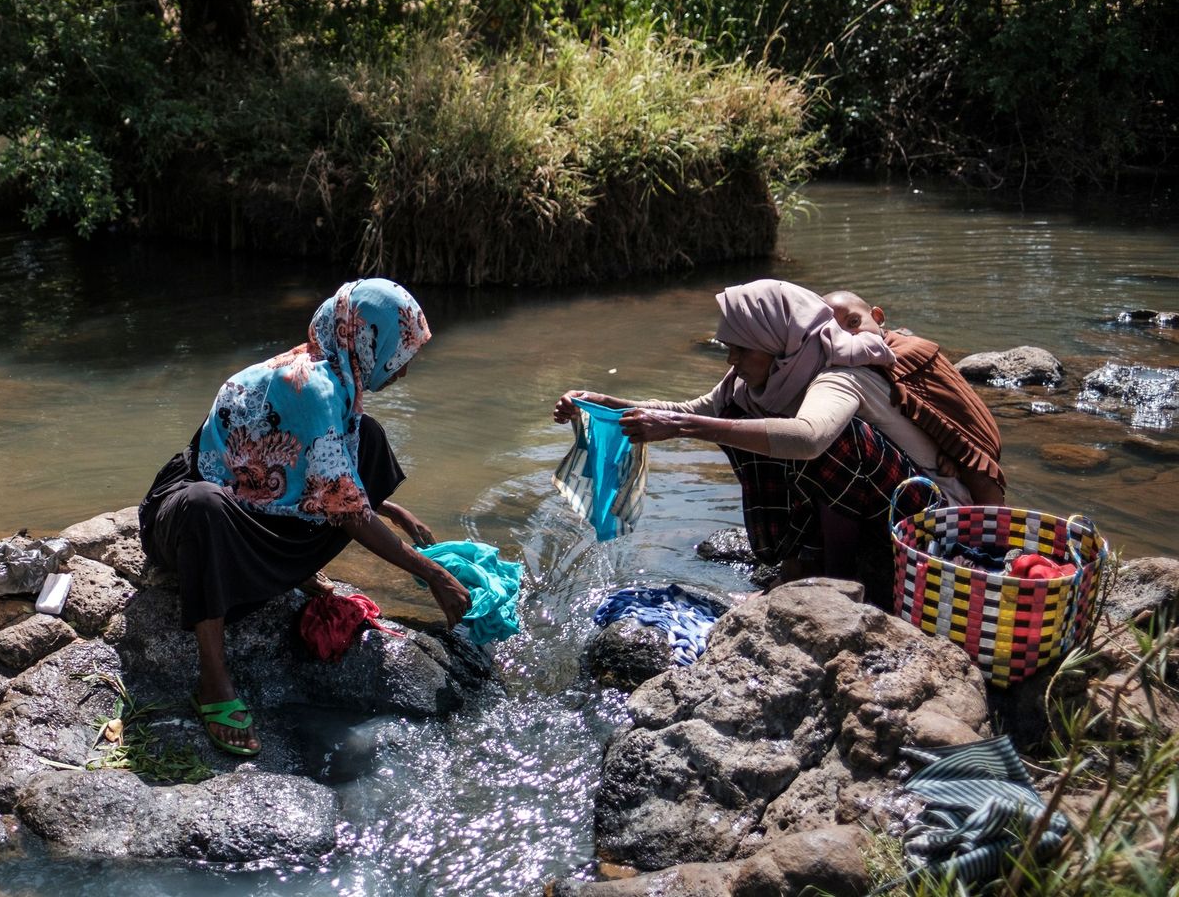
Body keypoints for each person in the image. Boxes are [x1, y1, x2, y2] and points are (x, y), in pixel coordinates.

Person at [139, 279, 472, 757]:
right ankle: (213, 682)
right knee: (204, 507)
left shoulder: (336, 373)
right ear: (366, 339)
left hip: (255, 503)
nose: (401, 370)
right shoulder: (313, 387)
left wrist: (389, 508)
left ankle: (289, 572)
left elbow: (318, 465)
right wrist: (434, 575)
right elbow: (345, 509)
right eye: (399, 354)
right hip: (185, 515)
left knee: (371, 441)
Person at [553, 279, 963, 605]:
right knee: (736, 417)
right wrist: (608, 404)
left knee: (833, 439)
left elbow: (809, 438)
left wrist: (681, 426)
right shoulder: (758, 381)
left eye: (740, 349)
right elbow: (697, 408)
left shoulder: (839, 373)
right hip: (873, 503)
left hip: (925, 512)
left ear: (775, 345)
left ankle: (837, 584)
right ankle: (799, 565)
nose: (731, 360)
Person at [823, 290, 1006, 505]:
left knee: (980, 479)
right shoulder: (858, 365)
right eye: (838, 333)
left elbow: (954, 410)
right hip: (928, 464)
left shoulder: (911, 353)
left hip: (968, 450)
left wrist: (953, 453)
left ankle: (996, 532)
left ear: (877, 317)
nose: (850, 335)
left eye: (854, 322)